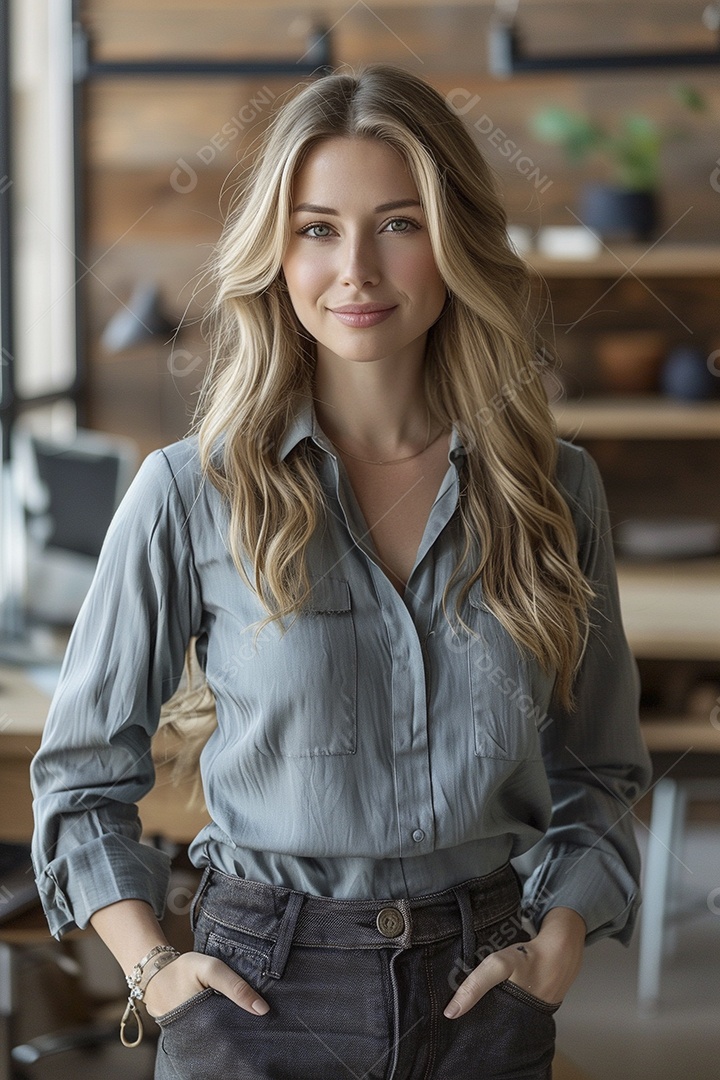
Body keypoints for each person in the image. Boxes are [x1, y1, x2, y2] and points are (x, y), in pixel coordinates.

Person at [30, 64, 652, 1080]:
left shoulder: (553, 488)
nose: (355, 267)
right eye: (318, 228)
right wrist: (152, 968)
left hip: (482, 992)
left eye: (398, 223)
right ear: (277, 252)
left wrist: (562, 935)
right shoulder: (189, 492)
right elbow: (80, 776)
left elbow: (604, 768)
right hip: (258, 992)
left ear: (453, 243)